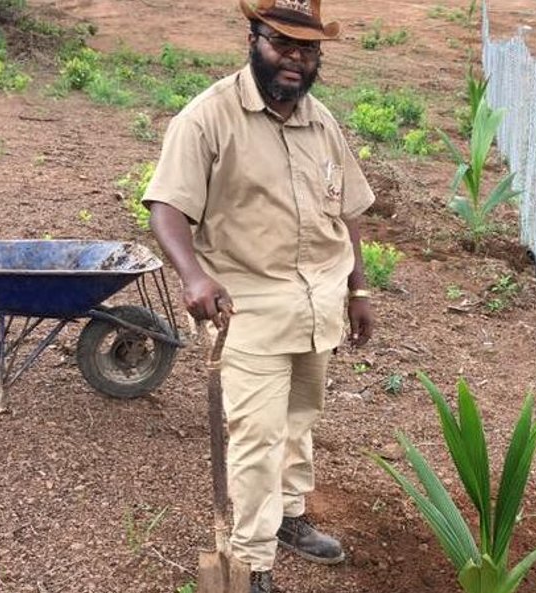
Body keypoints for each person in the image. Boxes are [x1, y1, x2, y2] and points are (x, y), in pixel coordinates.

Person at [142, 1, 375, 591]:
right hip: (244, 307)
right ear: (253, 39)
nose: (296, 59)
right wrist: (195, 277)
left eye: (309, 49)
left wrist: (359, 288)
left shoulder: (321, 122)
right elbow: (167, 207)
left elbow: (346, 212)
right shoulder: (208, 118)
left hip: (318, 302)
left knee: (300, 418)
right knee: (257, 434)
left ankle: (290, 515)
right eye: (282, 44)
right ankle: (250, 561)